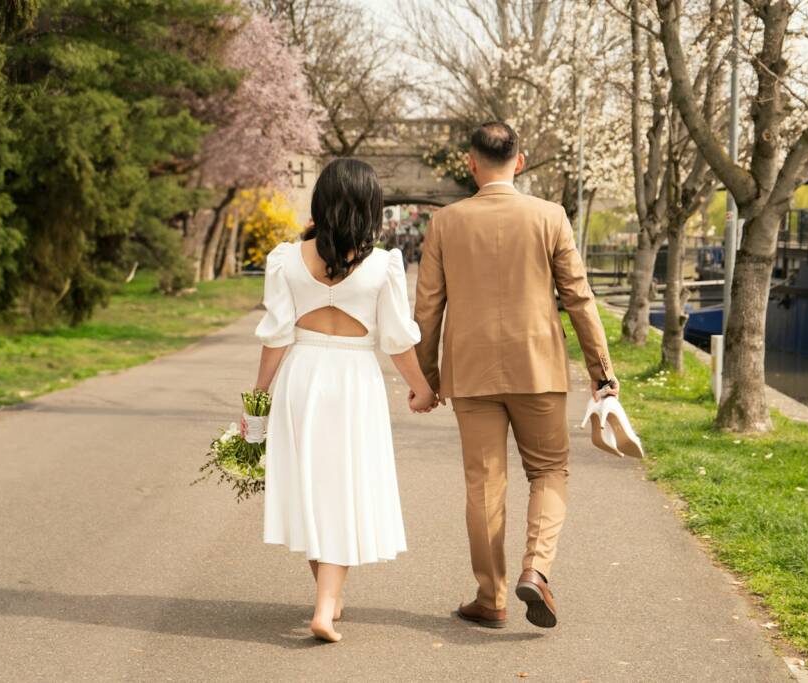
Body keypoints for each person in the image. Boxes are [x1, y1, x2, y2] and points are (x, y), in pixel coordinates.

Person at [414, 121, 619, 629]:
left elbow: (427, 308)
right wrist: (601, 371)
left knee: (485, 485)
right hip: (538, 367)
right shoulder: (550, 216)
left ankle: (492, 597)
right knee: (549, 471)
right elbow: (578, 297)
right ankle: (537, 568)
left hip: (471, 370)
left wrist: (427, 375)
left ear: (471, 163)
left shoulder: (445, 222)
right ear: (520, 161)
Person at [249, 158, 438, 643]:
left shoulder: (287, 260)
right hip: (354, 380)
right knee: (345, 488)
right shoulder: (383, 266)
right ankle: (325, 607)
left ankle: (329, 597)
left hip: (301, 376)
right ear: (370, 206)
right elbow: (397, 341)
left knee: (315, 487)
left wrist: (258, 398)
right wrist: (421, 388)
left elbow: (275, 337)